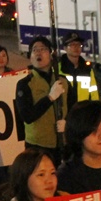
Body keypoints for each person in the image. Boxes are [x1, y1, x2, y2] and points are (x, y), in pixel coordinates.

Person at [15, 36, 68, 166]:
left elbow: (73, 107)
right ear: (30, 57)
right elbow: (27, 116)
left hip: (62, 142)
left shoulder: (63, 81)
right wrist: (50, 98)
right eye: (34, 50)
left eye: (43, 49)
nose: (38, 52)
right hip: (37, 146)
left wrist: (68, 123)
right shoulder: (25, 84)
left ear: (50, 55)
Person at [57, 32, 98, 107]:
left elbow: (93, 93)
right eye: (72, 45)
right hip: (65, 113)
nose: (76, 47)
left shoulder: (87, 69)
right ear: (65, 48)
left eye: (79, 45)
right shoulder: (58, 69)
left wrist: (95, 111)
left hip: (83, 113)